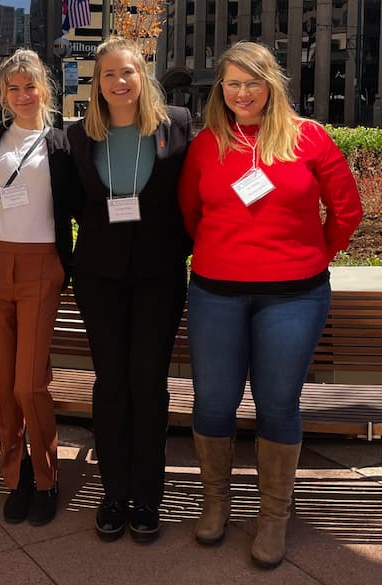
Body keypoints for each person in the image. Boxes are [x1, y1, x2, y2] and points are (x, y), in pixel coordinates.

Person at [178, 41, 363, 569]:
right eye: (232, 83)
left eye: (252, 82)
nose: (242, 93)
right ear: (222, 89)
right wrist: (221, 253)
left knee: (277, 404)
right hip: (216, 292)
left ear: (272, 84)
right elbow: (189, 214)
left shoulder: (308, 138)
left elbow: (346, 211)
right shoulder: (206, 144)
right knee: (213, 401)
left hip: (294, 296)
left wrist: (311, 255)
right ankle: (216, 504)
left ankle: (274, 516)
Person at [66, 36, 193, 543]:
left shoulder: (177, 125)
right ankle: (114, 493)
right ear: (97, 84)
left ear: (144, 76)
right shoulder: (78, 136)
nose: (120, 82)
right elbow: (76, 203)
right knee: (111, 382)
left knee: (148, 382)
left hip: (160, 276)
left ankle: (148, 495)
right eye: (109, 75)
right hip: (99, 276)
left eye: (129, 72)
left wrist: (172, 245)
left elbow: (191, 193)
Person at [0, 49, 72, 526]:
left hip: (40, 266)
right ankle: (16, 475)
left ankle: (48, 478)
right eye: (13, 87)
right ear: (3, 94)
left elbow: (83, 204)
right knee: (1, 383)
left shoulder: (62, 141)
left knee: (29, 383)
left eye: (29, 86)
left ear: (44, 89)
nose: (22, 95)